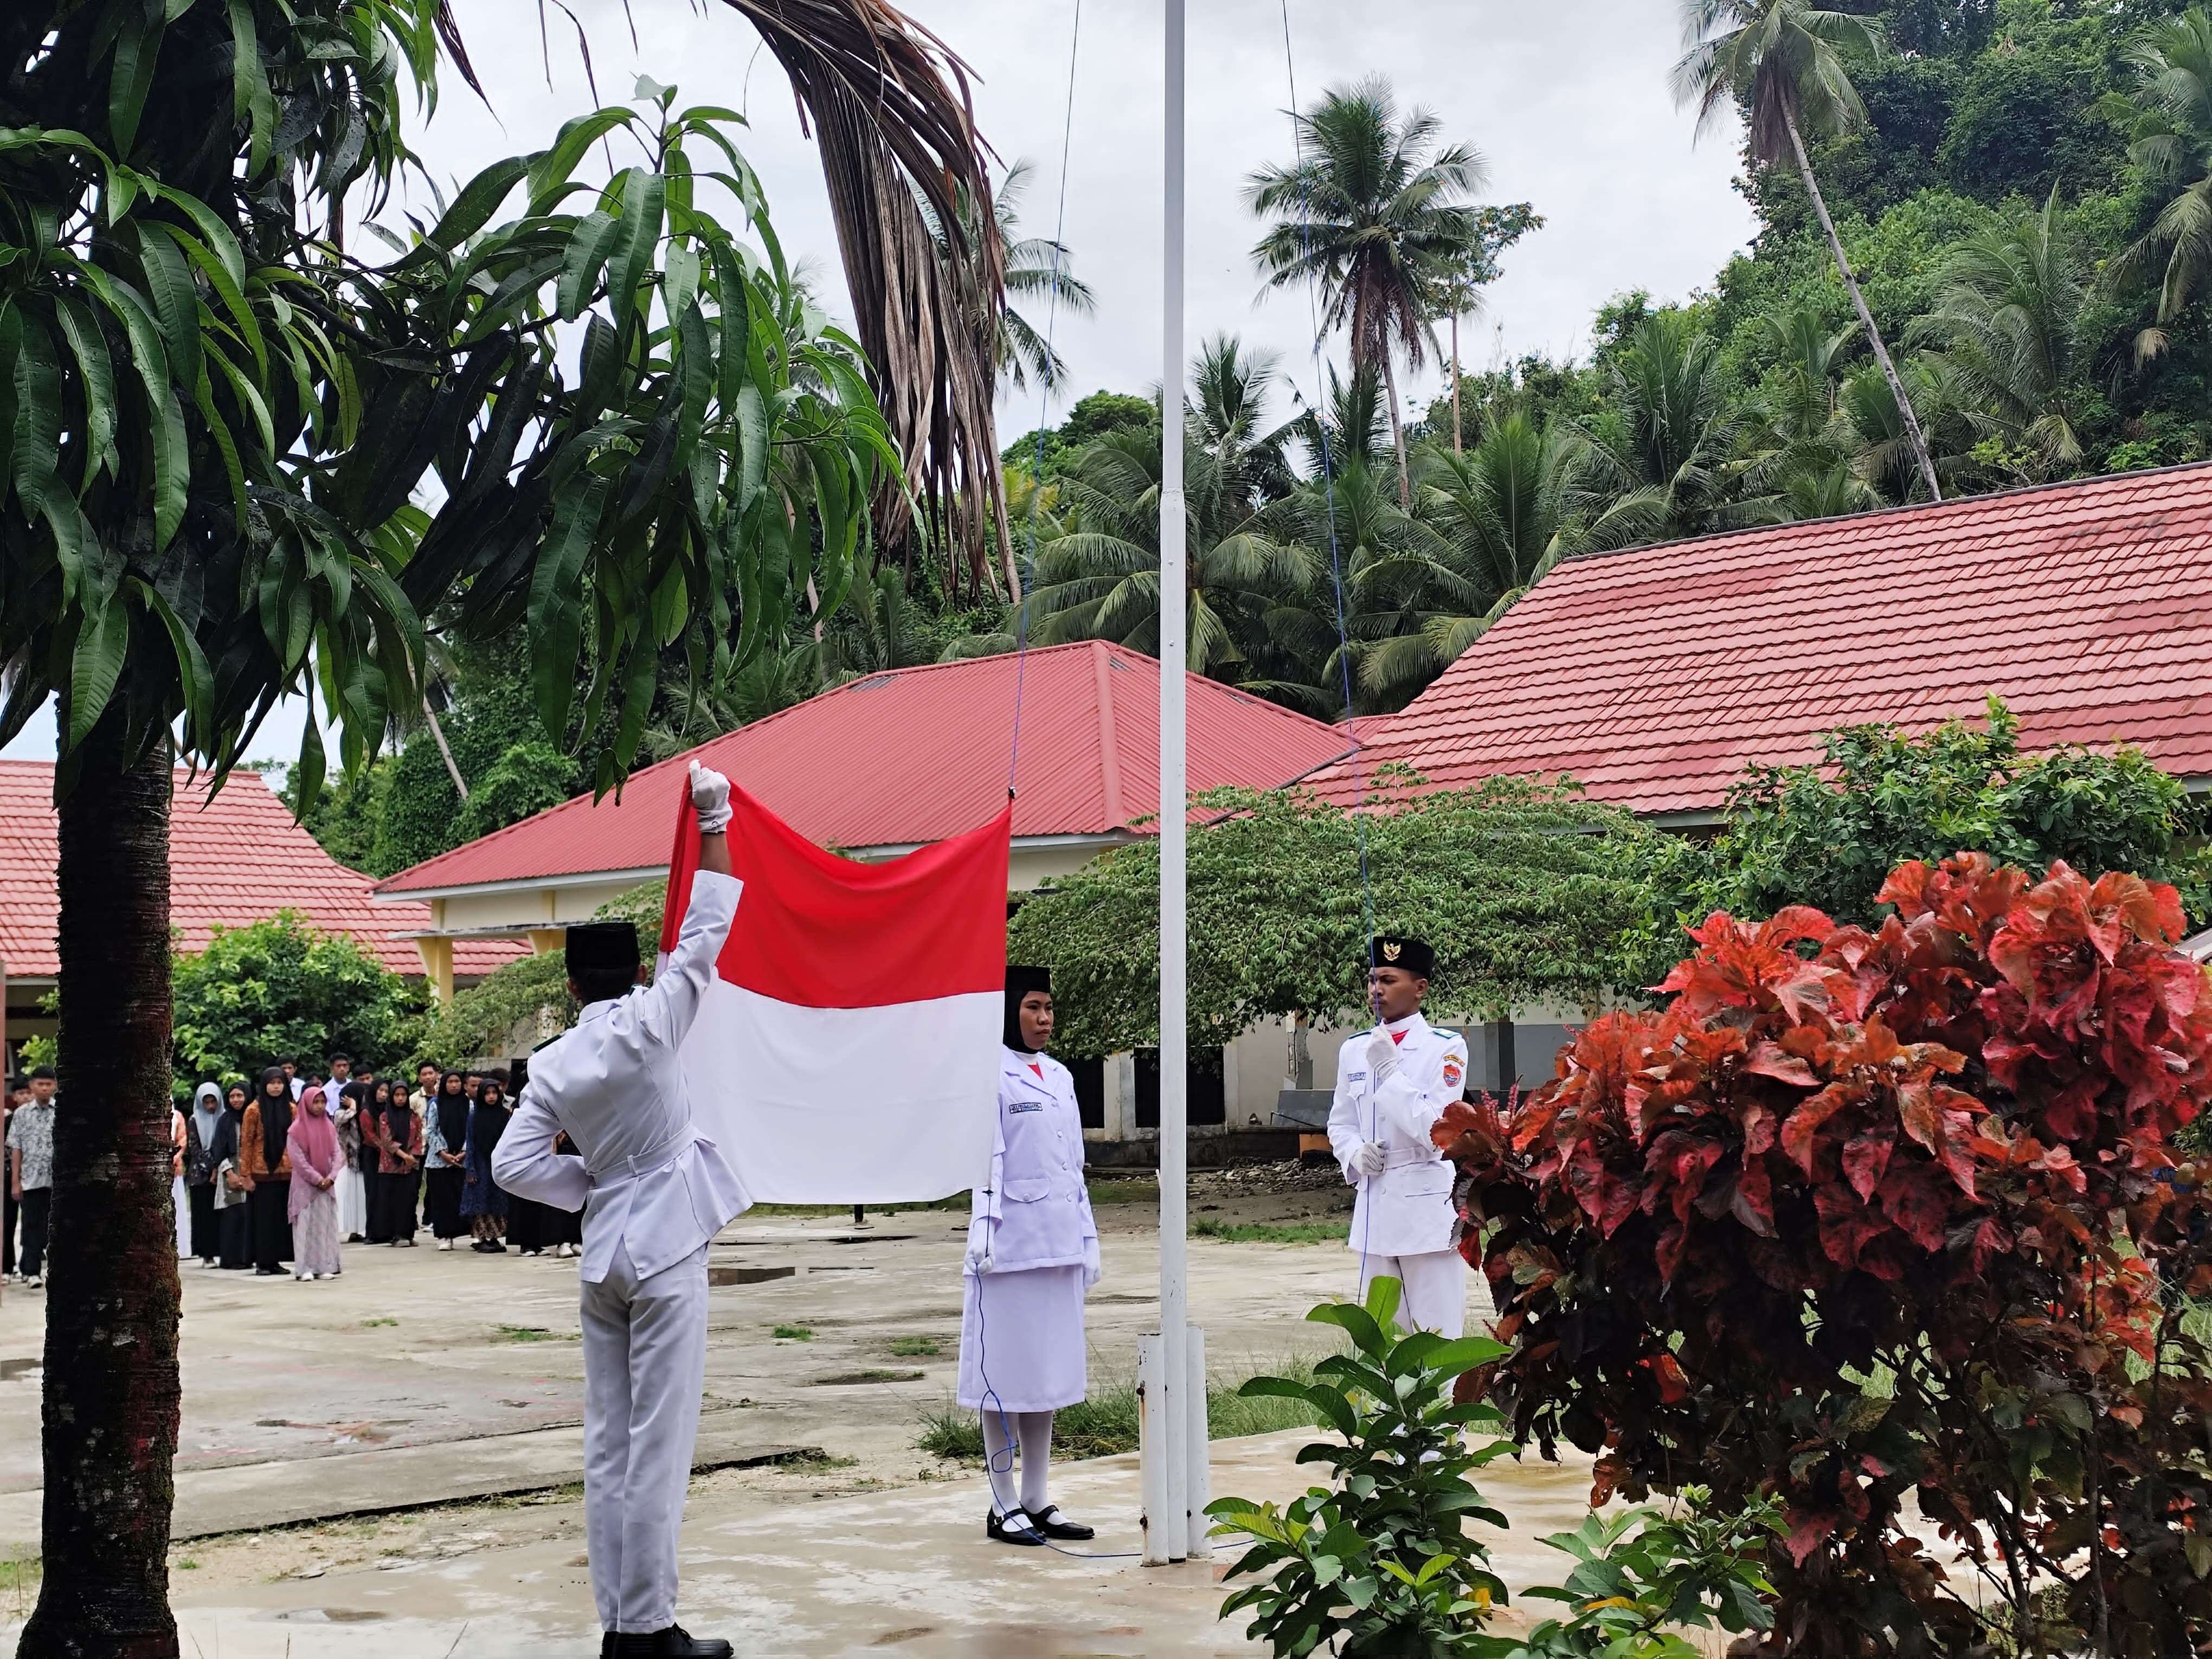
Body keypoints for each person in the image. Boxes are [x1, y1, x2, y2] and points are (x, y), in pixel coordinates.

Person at [492, 760, 746, 1659]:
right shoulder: (654, 1020)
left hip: (604, 1256)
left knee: (608, 1446)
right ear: (637, 970)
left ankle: (619, 1625)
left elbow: (512, 1164)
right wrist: (714, 811)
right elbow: (712, 920)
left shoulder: (554, 1064)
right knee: (658, 1447)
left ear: (570, 988)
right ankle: (650, 1630)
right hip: (670, 1244)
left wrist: (592, 1190)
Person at [957, 967, 1101, 1548]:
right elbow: (985, 1158)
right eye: (1033, 1007)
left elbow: (1075, 1166)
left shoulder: (1061, 1077)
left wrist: (1088, 1239)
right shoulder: (987, 1073)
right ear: (1009, 1010)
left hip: (1058, 1241)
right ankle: (1002, 1500)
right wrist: (983, 1232)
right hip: (1009, 1245)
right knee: (1002, 1378)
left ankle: (1038, 1496)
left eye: (1049, 1008)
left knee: (1045, 1378)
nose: (1045, 1019)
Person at [1326, 936, 1471, 1339]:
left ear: (1420, 988)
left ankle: (1442, 1407)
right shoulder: (1355, 1049)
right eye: (1372, 980)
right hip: (1375, 1210)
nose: (1376, 990)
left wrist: (1390, 1074)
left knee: (1438, 1339)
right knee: (1382, 1340)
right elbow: (1340, 1123)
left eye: (1388, 980)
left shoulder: (1446, 1048)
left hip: (1427, 1212)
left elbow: (1436, 1133)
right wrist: (1354, 1153)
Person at [239, 1066, 295, 1275]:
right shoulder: (253, 1110)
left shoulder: (291, 1109)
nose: (276, 1087)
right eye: (272, 1083)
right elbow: (245, 1143)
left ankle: (276, 1261)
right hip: (260, 1172)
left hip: (285, 1170)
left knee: (280, 1219)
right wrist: (245, 1175)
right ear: (264, 1085)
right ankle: (263, 1262)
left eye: (280, 1083)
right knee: (263, 1220)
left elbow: (296, 1140)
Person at [287, 1084, 344, 1280]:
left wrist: (332, 1177)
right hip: (305, 1187)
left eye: (322, 1102)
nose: (319, 1106)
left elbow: (337, 1153)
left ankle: (324, 1266)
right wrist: (318, 1179)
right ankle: (305, 1269)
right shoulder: (295, 1130)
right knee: (305, 1227)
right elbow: (298, 1161)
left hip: (326, 1186)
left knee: (325, 1226)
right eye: (315, 1102)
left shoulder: (329, 1126)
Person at [9, 1066, 59, 1287]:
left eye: (49, 1084)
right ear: (32, 1086)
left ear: (55, 1086)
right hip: (30, 1179)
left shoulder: (62, 1112)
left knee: (57, 1226)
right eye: (41, 1084)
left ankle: (58, 1272)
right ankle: (31, 1272)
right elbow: (16, 1149)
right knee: (31, 1225)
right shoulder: (21, 1114)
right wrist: (15, 1182)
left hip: (57, 1180)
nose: (45, 1088)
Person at [368, 1079, 425, 1245]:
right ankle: (394, 1235)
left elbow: (419, 1138)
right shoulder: (385, 1116)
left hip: (410, 1165)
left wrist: (412, 1156)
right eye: (397, 1095)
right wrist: (403, 1155)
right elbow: (386, 1141)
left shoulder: (413, 1116)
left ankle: (407, 1234)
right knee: (391, 1201)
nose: (400, 1099)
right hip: (390, 1166)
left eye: (403, 1095)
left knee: (408, 1199)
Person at [461, 1072, 511, 1252]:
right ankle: (481, 1237)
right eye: (487, 1093)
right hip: (480, 1163)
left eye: (494, 1093)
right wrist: (471, 1169)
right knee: (480, 1200)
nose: (491, 1097)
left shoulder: (505, 1115)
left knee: (498, 1200)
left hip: (498, 1163)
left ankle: (495, 1237)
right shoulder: (475, 1116)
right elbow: (471, 1143)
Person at [423, 1070, 471, 1249]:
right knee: (443, 1200)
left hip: (462, 1160)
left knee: (461, 1197)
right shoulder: (436, 1105)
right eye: (450, 1082)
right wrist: (443, 1153)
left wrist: (464, 1151)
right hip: (439, 1162)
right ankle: (445, 1236)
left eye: (457, 1081)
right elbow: (431, 1131)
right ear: (444, 1084)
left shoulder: (469, 1105)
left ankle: (464, 1232)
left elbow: (471, 1131)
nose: (454, 1085)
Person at [210, 1082, 254, 1270]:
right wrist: (230, 1174)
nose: (236, 1100)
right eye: (232, 1097)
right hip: (228, 1172)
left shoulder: (253, 1118)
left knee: (248, 1216)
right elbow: (218, 1150)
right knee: (232, 1216)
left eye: (240, 1096)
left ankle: (247, 1258)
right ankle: (230, 1259)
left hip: (251, 1173)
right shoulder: (225, 1120)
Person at [183, 1083, 223, 1266]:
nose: (210, 1106)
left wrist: (217, 1168)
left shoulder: (223, 1119)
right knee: (203, 1216)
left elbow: (223, 1145)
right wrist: (209, 1168)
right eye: (206, 1102)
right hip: (199, 1176)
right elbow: (194, 1148)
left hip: (221, 1173)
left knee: (219, 1217)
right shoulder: (194, 1120)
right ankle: (207, 1254)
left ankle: (220, 1251)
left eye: (213, 1102)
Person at [333, 1083, 368, 1242]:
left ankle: (358, 1230)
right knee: (347, 1198)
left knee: (359, 1197)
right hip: (346, 1162)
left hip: (361, 1161)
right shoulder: (341, 1113)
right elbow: (342, 1121)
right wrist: (353, 1108)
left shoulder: (365, 1113)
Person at [170, 1097, 192, 1259]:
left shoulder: (177, 1116)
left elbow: (182, 1140)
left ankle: (181, 1248)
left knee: (177, 1206)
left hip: (175, 1168)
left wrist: (175, 1157)